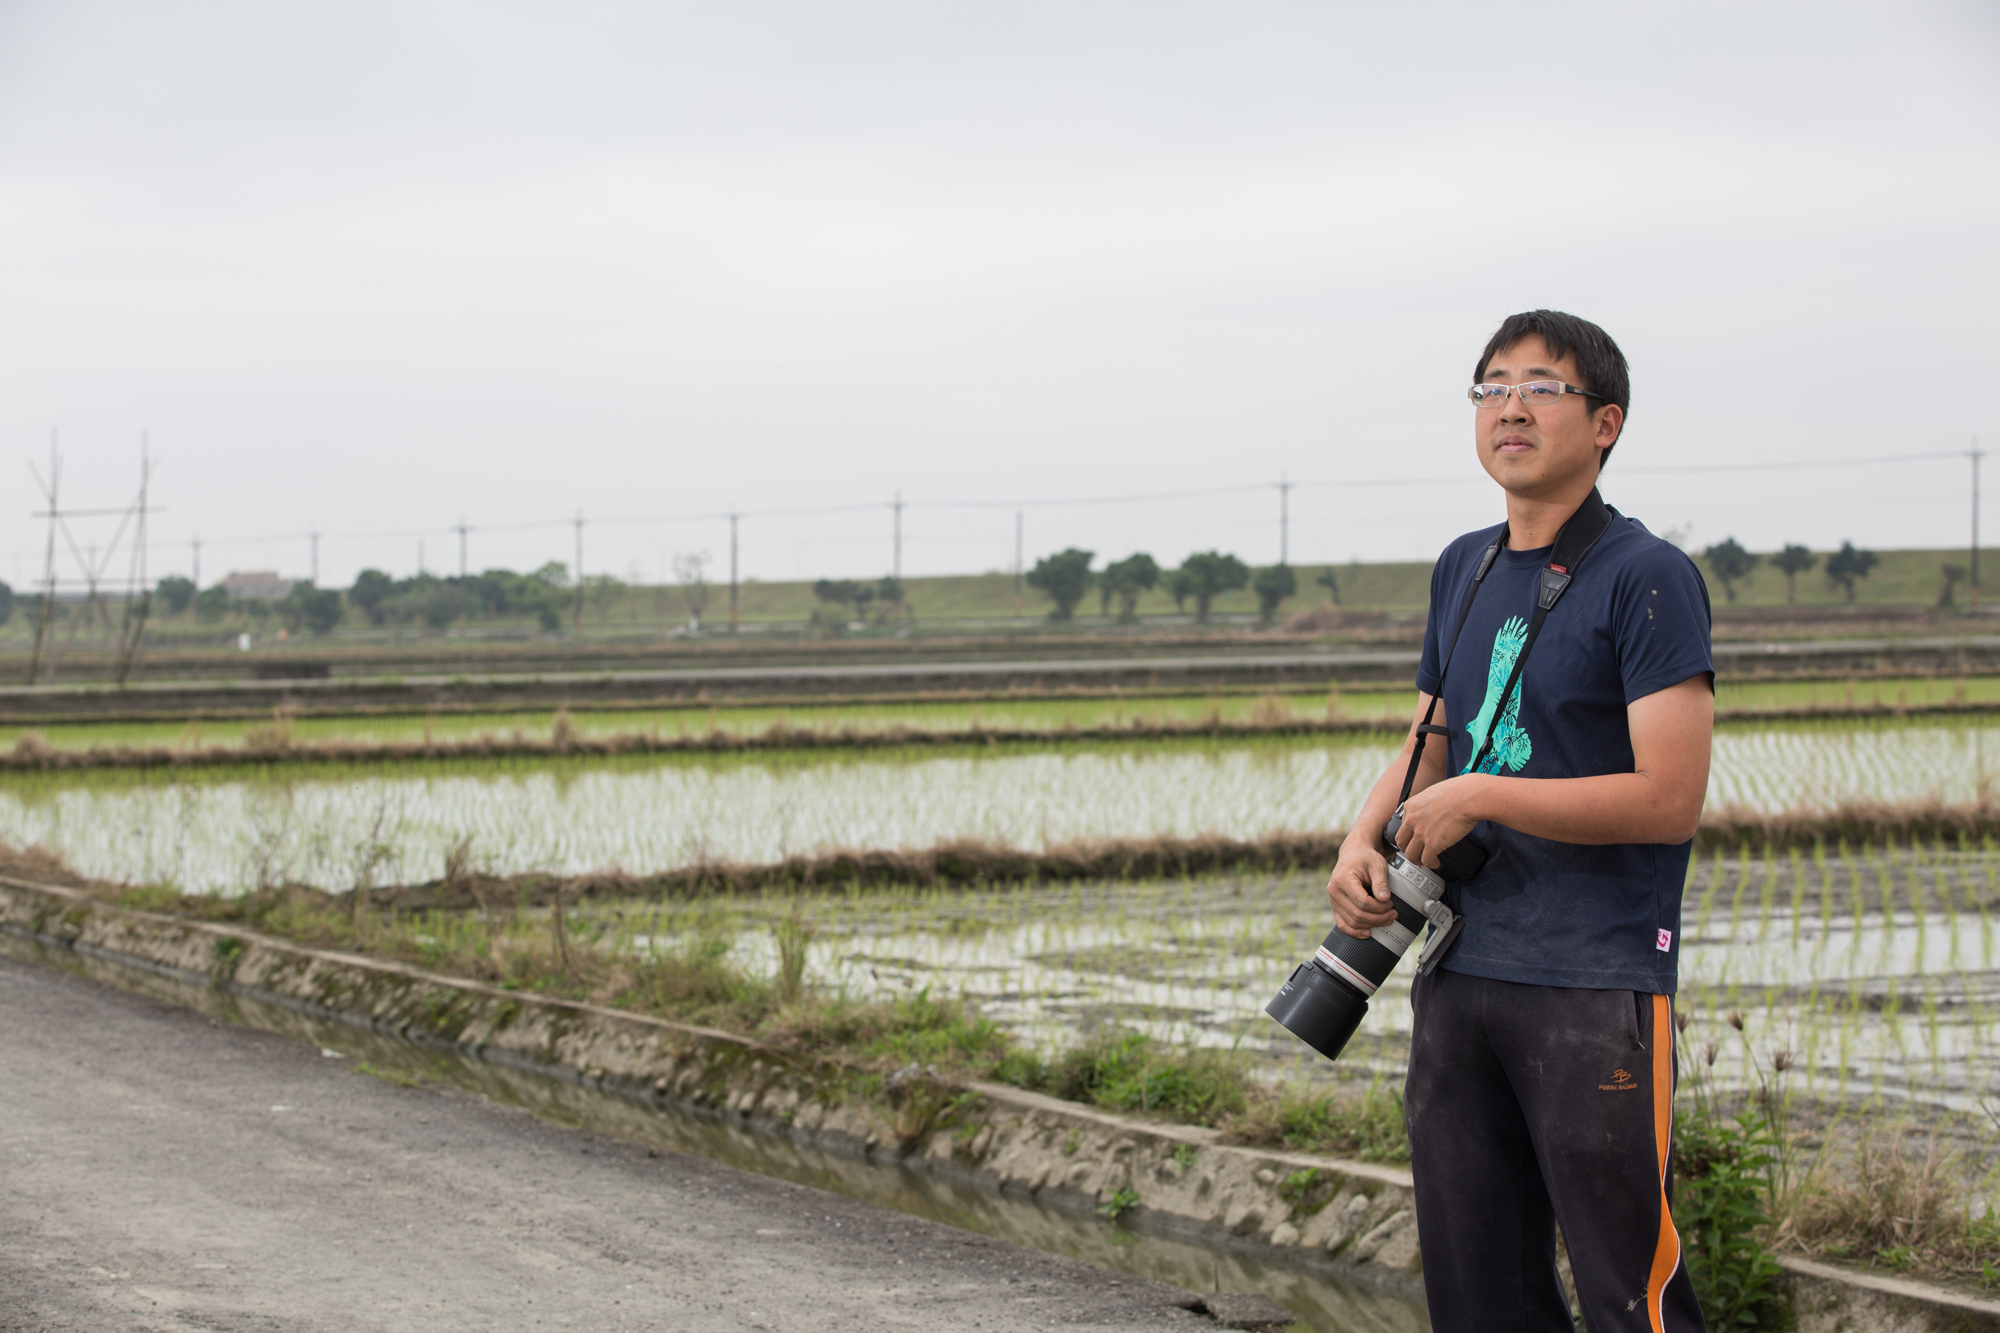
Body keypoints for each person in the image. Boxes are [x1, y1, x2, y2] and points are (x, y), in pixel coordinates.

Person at [1324, 310, 1714, 1332]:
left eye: (1541, 386)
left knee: (1628, 1277)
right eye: (1490, 386)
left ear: (1604, 424)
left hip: (1592, 977)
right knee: (1477, 1279)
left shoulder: (1644, 575)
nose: (1508, 406)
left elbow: (1666, 797)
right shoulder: (1463, 565)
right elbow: (1433, 732)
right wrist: (1361, 839)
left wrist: (1484, 796)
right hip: (1460, 966)